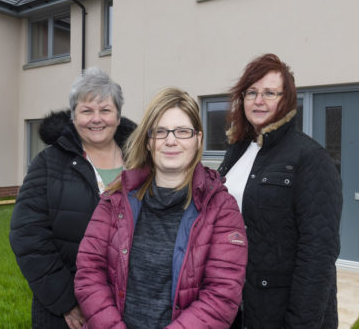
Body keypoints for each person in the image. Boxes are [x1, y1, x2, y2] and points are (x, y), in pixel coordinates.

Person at [75, 87, 247, 328]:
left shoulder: (220, 208)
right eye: (161, 132)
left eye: (182, 132)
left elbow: (222, 295)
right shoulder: (115, 199)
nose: (170, 140)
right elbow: (89, 272)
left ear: (198, 140)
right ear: (148, 141)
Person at [218, 54, 343, 328]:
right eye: (251, 92)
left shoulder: (311, 158)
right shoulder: (237, 151)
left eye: (269, 93)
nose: (258, 100)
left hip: (279, 311)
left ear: (286, 100)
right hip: (235, 302)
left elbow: (318, 255)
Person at [9, 67, 136, 329]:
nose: (96, 119)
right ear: (73, 116)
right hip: (68, 310)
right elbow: (28, 236)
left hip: (130, 303)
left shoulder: (141, 161)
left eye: (105, 110)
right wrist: (66, 302)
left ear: (118, 115)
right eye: (86, 111)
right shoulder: (48, 163)